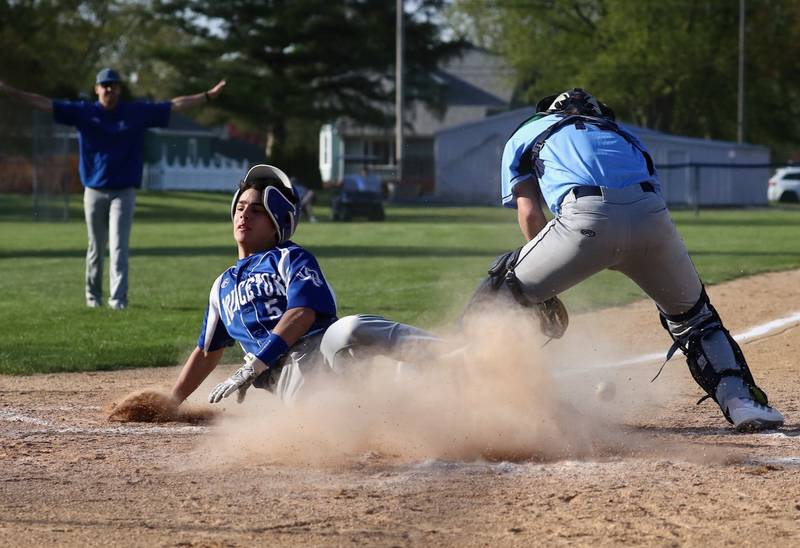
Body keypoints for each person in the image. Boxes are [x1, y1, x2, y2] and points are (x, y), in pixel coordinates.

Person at [496, 88, 783, 431]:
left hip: (583, 221)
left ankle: (475, 386)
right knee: (696, 320)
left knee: (504, 290)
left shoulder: (529, 131)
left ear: (549, 112)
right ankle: (742, 403)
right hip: (654, 221)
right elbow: (638, 204)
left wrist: (541, 287)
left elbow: (530, 214)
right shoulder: (627, 136)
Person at [170, 164, 439, 406]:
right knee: (331, 420)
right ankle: (411, 394)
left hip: (322, 352)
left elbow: (302, 313)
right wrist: (172, 401)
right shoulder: (221, 286)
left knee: (349, 329)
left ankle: (450, 353)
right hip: (290, 382)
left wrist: (253, 366)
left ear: (278, 222)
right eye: (240, 208)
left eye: (257, 211)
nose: (244, 216)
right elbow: (206, 353)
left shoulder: (290, 257)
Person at [0, 68, 226, 309]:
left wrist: (208, 95)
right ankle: (93, 298)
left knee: (119, 246)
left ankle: (118, 300)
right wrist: (10, 91)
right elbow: (44, 103)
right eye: (104, 85)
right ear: (96, 89)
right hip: (94, 190)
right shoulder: (84, 112)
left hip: (123, 191)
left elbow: (174, 105)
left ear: (119, 89)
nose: (109, 89)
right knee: (96, 247)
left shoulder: (135, 112)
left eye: (113, 85)